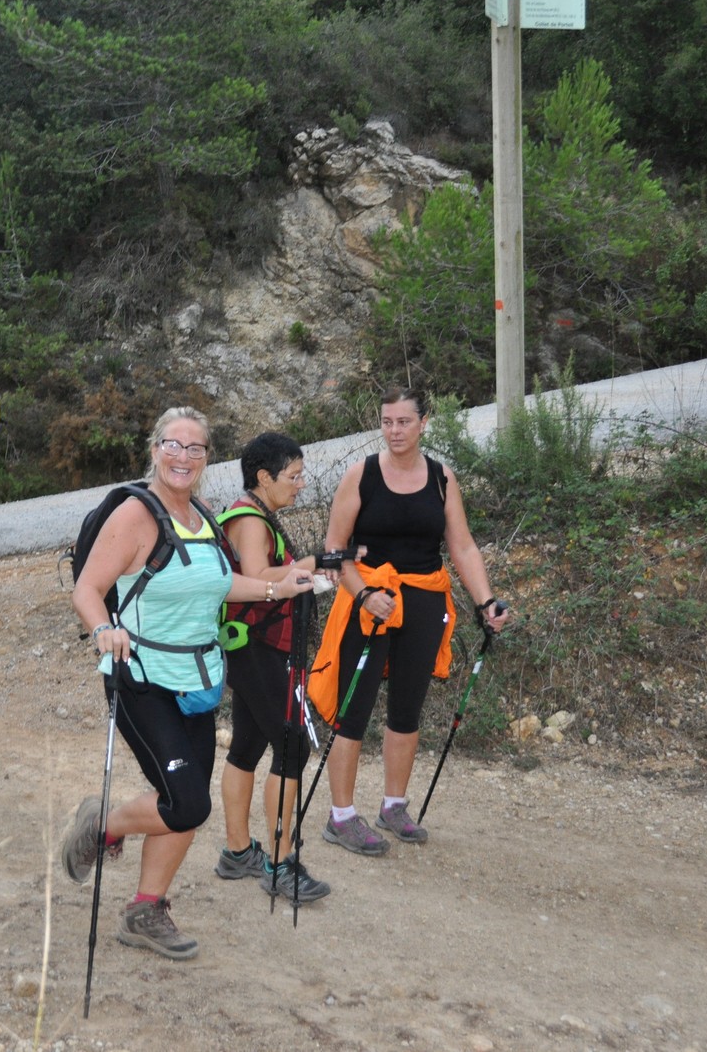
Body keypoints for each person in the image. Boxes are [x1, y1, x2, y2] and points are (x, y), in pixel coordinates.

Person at [62, 406, 313, 960]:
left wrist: (280, 588)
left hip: (197, 683)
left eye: (195, 448)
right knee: (187, 803)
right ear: (155, 449)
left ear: (206, 458)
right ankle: (103, 825)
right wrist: (103, 629)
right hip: (141, 678)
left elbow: (220, 586)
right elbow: (87, 589)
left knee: (182, 802)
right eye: (173, 445)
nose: (183, 456)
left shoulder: (202, 516)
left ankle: (145, 909)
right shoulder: (135, 515)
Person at [317, 386, 510, 856]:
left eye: (403, 421)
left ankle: (393, 806)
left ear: (424, 423)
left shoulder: (441, 478)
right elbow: (335, 551)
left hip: (424, 600)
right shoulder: (361, 475)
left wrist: (486, 602)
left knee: (407, 707)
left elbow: (462, 545)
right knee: (353, 709)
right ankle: (341, 816)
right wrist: (364, 595)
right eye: (387, 422)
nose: (394, 431)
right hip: (370, 601)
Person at [213, 432, 333, 901]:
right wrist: (308, 567)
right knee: (293, 746)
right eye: (293, 476)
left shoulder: (256, 514)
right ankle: (281, 865)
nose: (300, 485)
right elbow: (255, 577)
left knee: (247, 745)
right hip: (257, 646)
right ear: (265, 477)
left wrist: (309, 570)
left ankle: (237, 851)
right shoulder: (249, 519)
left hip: (253, 645)